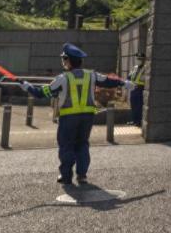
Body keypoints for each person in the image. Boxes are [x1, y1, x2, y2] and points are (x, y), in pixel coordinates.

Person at [22, 43, 130, 185]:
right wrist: (124, 83)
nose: (63, 61)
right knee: (82, 144)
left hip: (68, 118)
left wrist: (27, 86)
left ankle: (66, 176)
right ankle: (82, 175)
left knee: (67, 146)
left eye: (64, 59)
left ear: (68, 60)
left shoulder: (63, 78)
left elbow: (41, 93)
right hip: (87, 117)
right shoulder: (91, 75)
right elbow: (108, 81)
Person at [127, 53, 147, 126]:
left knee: (139, 106)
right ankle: (134, 120)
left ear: (144, 60)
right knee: (133, 105)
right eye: (138, 58)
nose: (139, 60)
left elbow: (144, 78)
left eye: (140, 59)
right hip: (133, 88)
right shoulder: (135, 67)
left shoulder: (146, 68)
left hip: (140, 88)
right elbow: (130, 76)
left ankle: (139, 121)